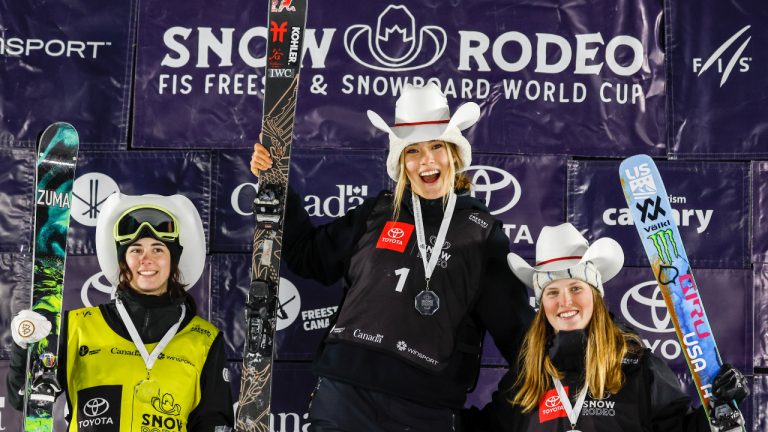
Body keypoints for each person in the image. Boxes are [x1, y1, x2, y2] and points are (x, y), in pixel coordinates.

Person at [250, 82, 535, 431]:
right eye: (413, 151)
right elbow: (308, 255)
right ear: (401, 161)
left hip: (423, 409)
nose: (427, 160)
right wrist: (276, 186)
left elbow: (524, 344)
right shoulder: (377, 213)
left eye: (436, 147)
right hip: (344, 397)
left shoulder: (482, 234)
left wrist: (497, 421)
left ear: (454, 155)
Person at [464, 223, 749, 432]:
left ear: (595, 296)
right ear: (542, 304)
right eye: (552, 292)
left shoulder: (637, 367)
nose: (565, 302)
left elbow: (681, 429)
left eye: (576, 288)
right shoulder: (527, 375)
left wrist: (720, 411)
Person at [7, 193, 234, 431]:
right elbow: (24, 400)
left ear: (173, 260)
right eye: (135, 250)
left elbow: (213, 421)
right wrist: (24, 349)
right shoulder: (78, 327)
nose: (146, 260)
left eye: (158, 249)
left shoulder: (204, 339)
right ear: (123, 260)